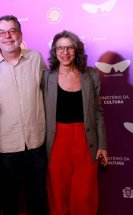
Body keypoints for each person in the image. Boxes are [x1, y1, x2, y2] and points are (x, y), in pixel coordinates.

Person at [0, 15, 48, 215]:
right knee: (9, 204)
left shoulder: (36, 59)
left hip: (35, 145)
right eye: (2, 32)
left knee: (37, 202)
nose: (8, 36)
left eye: (12, 31)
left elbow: (52, 92)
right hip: (4, 148)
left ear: (20, 34)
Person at [42, 30, 108, 215]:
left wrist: (102, 144)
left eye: (70, 47)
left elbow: (97, 111)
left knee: (84, 195)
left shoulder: (90, 75)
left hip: (86, 142)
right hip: (56, 143)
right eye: (60, 48)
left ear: (77, 50)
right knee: (58, 194)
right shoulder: (46, 77)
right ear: (55, 52)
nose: (65, 52)